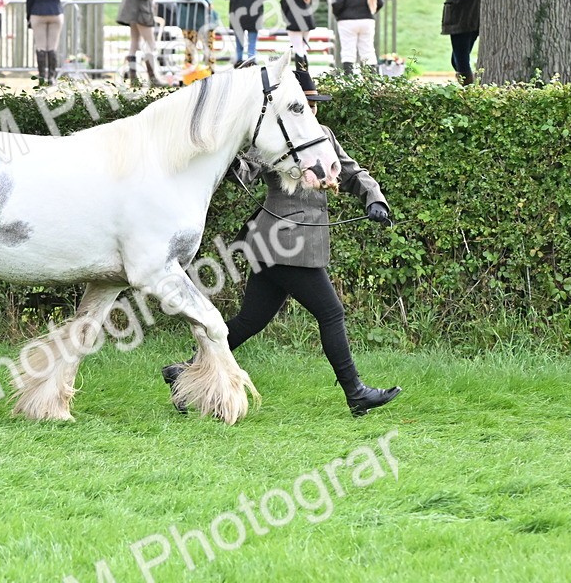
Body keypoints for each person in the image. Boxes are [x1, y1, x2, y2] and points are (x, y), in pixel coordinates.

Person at [162, 69, 401, 418]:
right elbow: (246, 170)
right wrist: (231, 162)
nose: (312, 111)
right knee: (331, 312)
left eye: (314, 104)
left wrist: (374, 200)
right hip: (284, 243)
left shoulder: (323, 137)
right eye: (306, 104)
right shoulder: (275, 140)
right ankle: (356, 392)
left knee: (249, 322)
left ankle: (184, 373)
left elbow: (352, 173)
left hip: (284, 245)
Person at [116, 0, 165, 87]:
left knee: (134, 44)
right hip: (141, 12)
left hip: (132, 12)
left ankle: (133, 79)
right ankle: (153, 78)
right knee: (151, 44)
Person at [332, 0, 384, 74]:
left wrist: (339, 15)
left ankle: (350, 82)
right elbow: (380, 2)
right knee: (368, 51)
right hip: (367, 21)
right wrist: (369, 12)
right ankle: (372, 82)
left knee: (348, 52)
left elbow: (337, 2)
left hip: (347, 21)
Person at [25, 0, 68, 84]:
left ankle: (42, 76)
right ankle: (52, 77)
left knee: (41, 46)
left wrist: (28, 18)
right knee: (52, 47)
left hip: (38, 13)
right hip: (55, 12)